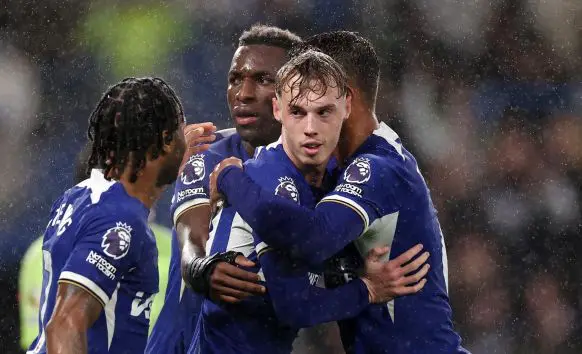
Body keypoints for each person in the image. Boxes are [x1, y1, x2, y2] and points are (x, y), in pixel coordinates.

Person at [211, 31, 469, 353]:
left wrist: (230, 178)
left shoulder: (376, 168)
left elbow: (312, 239)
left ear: (345, 98)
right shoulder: (335, 170)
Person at [145, 24, 305, 354]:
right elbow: (192, 238)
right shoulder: (207, 151)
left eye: (263, 80)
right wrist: (201, 268)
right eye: (235, 79)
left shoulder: (318, 174)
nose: (243, 93)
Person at [26, 77, 187, 354]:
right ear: (163, 141)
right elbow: (65, 323)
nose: (186, 143)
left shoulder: (80, 196)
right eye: (181, 132)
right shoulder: (121, 220)